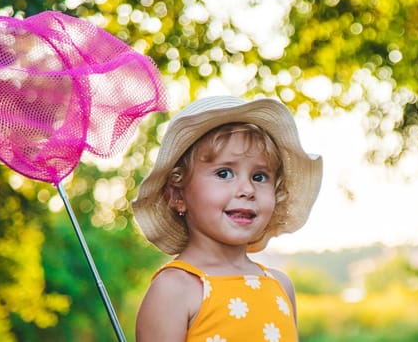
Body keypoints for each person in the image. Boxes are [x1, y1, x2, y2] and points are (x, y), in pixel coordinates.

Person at [132, 96, 322, 342]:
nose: (247, 189)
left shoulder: (280, 285)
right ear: (178, 195)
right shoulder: (174, 289)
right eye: (224, 173)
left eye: (260, 176)